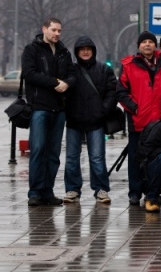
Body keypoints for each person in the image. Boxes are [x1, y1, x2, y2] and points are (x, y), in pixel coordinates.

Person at [22, 17, 76, 206]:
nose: (57, 34)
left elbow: (72, 74)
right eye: (54, 30)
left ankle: (47, 191)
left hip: (59, 109)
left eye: (59, 31)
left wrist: (67, 83)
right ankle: (35, 192)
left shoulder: (64, 52)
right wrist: (55, 83)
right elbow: (29, 74)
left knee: (53, 153)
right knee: (37, 150)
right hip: (39, 108)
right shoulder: (32, 50)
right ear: (44, 29)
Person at [117, 30, 161, 205]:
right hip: (138, 121)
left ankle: (153, 191)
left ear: (155, 45)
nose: (147, 44)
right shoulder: (128, 65)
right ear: (139, 46)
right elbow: (121, 92)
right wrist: (135, 108)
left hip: (159, 123)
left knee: (157, 159)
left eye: (150, 41)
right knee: (135, 158)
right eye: (144, 42)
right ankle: (135, 191)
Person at [64, 35, 116, 204]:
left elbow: (112, 92)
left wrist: (102, 111)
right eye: (82, 49)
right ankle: (72, 189)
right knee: (72, 157)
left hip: (96, 120)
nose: (85, 52)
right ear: (77, 52)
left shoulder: (104, 69)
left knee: (97, 157)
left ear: (93, 51)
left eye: (88, 49)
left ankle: (101, 189)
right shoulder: (70, 70)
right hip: (74, 120)